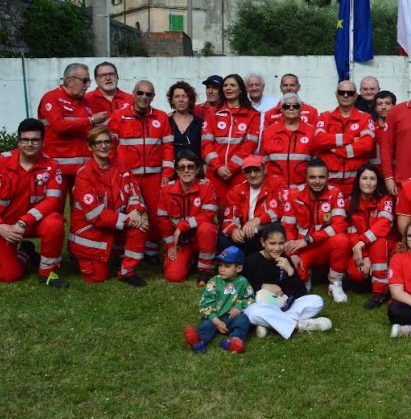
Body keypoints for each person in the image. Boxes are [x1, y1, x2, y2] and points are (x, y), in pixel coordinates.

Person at [0, 118, 67, 286]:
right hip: (1, 225)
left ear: (42, 141)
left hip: (30, 223)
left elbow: (53, 200)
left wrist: (23, 223)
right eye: (25, 140)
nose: (29, 144)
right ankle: (26, 253)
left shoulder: (51, 167)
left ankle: (47, 272)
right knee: (6, 275)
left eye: (35, 140)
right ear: (19, 140)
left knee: (55, 223)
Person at [69, 126, 148, 286]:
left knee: (141, 227)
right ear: (90, 147)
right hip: (91, 232)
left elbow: (133, 193)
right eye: (98, 143)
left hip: (113, 224)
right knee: (97, 277)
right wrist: (129, 219)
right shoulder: (84, 174)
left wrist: (135, 211)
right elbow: (95, 215)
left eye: (107, 142)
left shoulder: (121, 166)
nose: (104, 146)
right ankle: (82, 257)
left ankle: (127, 272)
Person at [108, 79, 173, 260]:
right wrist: (115, 174)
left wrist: (166, 174)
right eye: (140, 93)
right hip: (127, 175)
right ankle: (120, 250)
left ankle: (152, 250)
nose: (144, 97)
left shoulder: (161, 117)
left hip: (154, 175)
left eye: (148, 94)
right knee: (123, 211)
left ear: (153, 97)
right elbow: (110, 148)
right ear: (133, 94)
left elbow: (168, 148)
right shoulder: (118, 117)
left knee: (156, 213)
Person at [242, 224, 332, 339]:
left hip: (284, 306)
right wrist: (263, 286)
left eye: (281, 243)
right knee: (252, 313)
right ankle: (299, 325)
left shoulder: (285, 260)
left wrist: (290, 271)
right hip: (262, 305)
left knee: (317, 301)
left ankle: (271, 325)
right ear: (263, 242)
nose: (277, 248)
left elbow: (301, 294)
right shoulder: (252, 260)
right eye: (272, 243)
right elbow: (242, 285)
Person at [280, 158, 351, 302]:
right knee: (299, 283)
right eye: (312, 177)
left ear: (327, 177)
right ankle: (307, 275)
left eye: (321, 177)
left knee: (342, 240)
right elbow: (288, 227)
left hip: (323, 244)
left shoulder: (335, 193)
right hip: (303, 249)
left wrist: (309, 239)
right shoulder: (294, 194)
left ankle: (335, 283)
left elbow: (340, 224)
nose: (317, 181)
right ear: (306, 177)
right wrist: (291, 252)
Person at [156, 150, 219, 283]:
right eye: (182, 167)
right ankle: (190, 260)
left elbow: (208, 215)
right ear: (177, 171)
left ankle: (205, 269)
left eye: (190, 167)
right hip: (180, 242)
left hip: (199, 238)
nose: (186, 171)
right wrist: (170, 245)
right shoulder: (166, 190)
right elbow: (163, 221)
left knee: (207, 228)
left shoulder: (207, 186)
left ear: (197, 170)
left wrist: (182, 226)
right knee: (174, 276)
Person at [38, 63, 102, 190]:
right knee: (54, 206)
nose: (87, 86)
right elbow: (59, 126)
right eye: (84, 81)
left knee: (81, 208)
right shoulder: (51, 98)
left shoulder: (85, 102)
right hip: (58, 168)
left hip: (82, 168)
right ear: (69, 80)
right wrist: (91, 120)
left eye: (89, 81)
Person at [201, 73, 261, 205]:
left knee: (237, 208)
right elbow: (206, 144)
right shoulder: (212, 113)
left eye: (232, 85)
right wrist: (218, 167)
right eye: (225, 85)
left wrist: (231, 167)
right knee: (214, 209)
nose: (228, 88)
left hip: (239, 173)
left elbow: (250, 145)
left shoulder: (253, 115)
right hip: (215, 172)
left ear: (241, 90)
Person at [183, 246, 253, 353]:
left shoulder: (243, 282)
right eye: (220, 265)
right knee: (206, 325)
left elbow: (250, 297)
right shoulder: (213, 282)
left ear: (238, 268)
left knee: (243, 320)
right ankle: (199, 341)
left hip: (231, 316)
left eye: (227, 266)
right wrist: (216, 321)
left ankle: (234, 341)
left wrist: (239, 307)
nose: (221, 269)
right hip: (214, 316)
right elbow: (205, 303)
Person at [346, 165, 397, 309]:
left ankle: (379, 292)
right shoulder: (351, 203)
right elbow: (351, 232)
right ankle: (378, 280)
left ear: (377, 182)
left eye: (372, 179)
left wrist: (362, 243)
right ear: (358, 181)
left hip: (388, 246)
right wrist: (366, 254)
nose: (368, 183)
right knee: (356, 274)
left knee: (379, 242)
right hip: (363, 249)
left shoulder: (385, 199)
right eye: (364, 178)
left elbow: (384, 224)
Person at [313, 80, 376, 191]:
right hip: (329, 184)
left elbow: (367, 144)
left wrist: (335, 149)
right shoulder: (325, 116)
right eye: (342, 92)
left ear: (356, 96)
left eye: (350, 93)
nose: (346, 95)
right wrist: (351, 138)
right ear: (336, 95)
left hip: (356, 185)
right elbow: (319, 140)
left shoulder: (365, 118)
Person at [220, 156, 284, 255]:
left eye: (257, 170)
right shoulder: (236, 191)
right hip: (245, 233)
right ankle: (234, 267)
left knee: (252, 240)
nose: (253, 175)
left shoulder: (277, 183)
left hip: (267, 231)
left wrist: (259, 219)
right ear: (243, 174)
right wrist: (233, 230)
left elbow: (285, 208)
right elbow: (228, 218)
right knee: (223, 241)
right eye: (248, 171)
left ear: (265, 170)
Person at [260, 92, 317, 189]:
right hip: (275, 188)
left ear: (301, 109)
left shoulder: (312, 132)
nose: (291, 108)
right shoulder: (268, 132)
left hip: (303, 189)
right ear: (281, 109)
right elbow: (262, 162)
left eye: (295, 106)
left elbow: (317, 163)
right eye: (287, 106)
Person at [167, 81, 203, 161]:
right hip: (171, 170)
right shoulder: (166, 122)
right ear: (172, 100)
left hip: (194, 170)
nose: (181, 100)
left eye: (185, 96)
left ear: (190, 99)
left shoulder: (200, 123)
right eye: (177, 96)